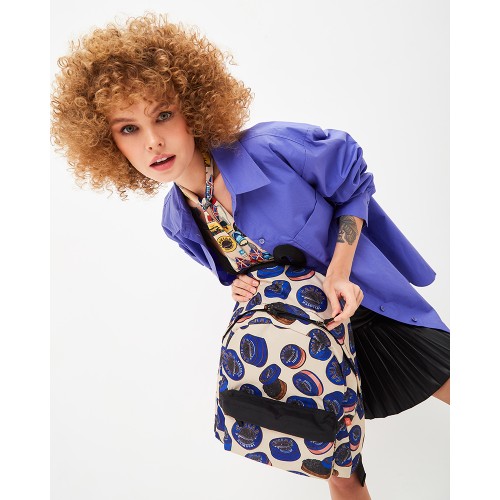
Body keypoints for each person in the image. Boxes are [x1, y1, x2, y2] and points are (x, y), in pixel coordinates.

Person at [51, 13, 450, 500]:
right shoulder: (177, 221)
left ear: (191, 109)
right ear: (109, 144)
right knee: (338, 469)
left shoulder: (271, 148)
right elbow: (236, 269)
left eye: (163, 115)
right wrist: (239, 285)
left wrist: (340, 271)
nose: (152, 141)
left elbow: (353, 181)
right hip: (306, 344)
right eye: (129, 128)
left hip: (369, 310)